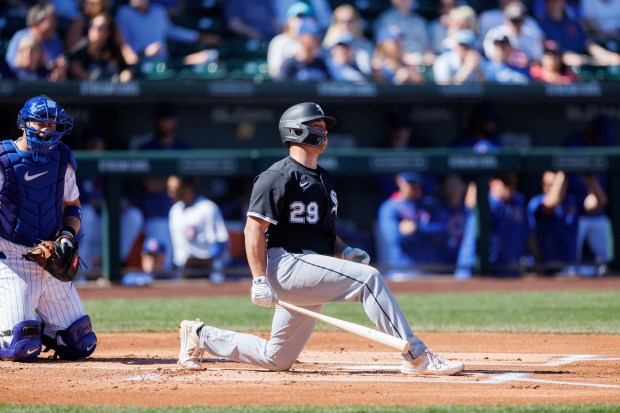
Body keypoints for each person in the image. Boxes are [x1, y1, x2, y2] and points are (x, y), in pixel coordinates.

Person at [177, 102, 464, 376]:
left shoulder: (324, 179)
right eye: (316, 125)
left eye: (324, 127)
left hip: (312, 266)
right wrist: (259, 279)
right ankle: (416, 356)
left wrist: (345, 251)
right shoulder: (276, 175)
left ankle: (199, 334)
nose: (324, 132)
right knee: (369, 279)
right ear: (296, 131)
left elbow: (324, 235)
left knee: (276, 358)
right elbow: (253, 229)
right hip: (287, 263)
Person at [0, 95, 97, 362]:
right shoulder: (4, 158)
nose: (45, 129)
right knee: (21, 347)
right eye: (39, 123)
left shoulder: (62, 158)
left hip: (49, 256)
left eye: (51, 125)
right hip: (11, 258)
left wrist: (67, 235)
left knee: (81, 343)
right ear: (23, 123)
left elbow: (73, 206)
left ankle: (43, 327)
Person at [115, 0, 221, 65]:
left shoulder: (158, 11)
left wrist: (199, 37)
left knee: (209, 56)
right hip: (139, 63)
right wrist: (145, 52)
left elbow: (171, 31)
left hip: (164, 63)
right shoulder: (123, 13)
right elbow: (123, 43)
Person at [167, 175, 229, 284]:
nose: (170, 193)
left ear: (187, 188)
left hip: (207, 267)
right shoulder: (175, 210)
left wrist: (208, 260)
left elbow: (221, 240)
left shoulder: (207, 207)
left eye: (174, 189)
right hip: (183, 268)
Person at [527, 170, 579, 275]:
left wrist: (591, 180)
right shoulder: (536, 202)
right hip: (547, 264)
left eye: (554, 185)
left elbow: (600, 202)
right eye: (548, 185)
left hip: (570, 264)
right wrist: (561, 175)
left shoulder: (571, 201)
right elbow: (551, 203)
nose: (551, 188)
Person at [5, 3, 67, 79]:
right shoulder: (20, 37)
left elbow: (57, 62)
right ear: (38, 22)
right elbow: (12, 65)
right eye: (52, 20)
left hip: (48, 83)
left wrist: (59, 67)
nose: (55, 24)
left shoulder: (54, 39)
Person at [68, 12, 133, 82]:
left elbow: (125, 69)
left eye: (100, 28)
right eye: (92, 26)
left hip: (112, 90)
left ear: (108, 31)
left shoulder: (113, 48)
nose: (94, 30)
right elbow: (74, 67)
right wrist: (90, 79)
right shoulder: (83, 47)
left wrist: (124, 77)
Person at [373, 0, 435, 66]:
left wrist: (429, 56)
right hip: (399, 65)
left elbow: (428, 46)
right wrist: (404, 58)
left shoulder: (420, 21)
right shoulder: (386, 20)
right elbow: (383, 50)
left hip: (422, 63)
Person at [482, 2, 543, 67]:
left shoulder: (531, 37)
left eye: (518, 20)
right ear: (506, 19)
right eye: (513, 20)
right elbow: (490, 57)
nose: (515, 24)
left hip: (524, 72)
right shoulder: (495, 34)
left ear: (524, 20)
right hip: (500, 71)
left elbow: (537, 59)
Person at [322, 4, 374, 77]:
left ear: (357, 22)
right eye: (342, 21)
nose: (347, 25)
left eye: (351, 21)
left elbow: (368, 71)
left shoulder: (366, 45)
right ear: (335, 23)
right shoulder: (327, 46)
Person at [267, 1, 311, 78]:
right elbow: (274, 71)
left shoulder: (313, 41)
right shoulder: (279, 41)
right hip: (285, 86)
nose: (301, 21)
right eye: (298, 17)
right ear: (288, 20)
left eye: (305, 18)